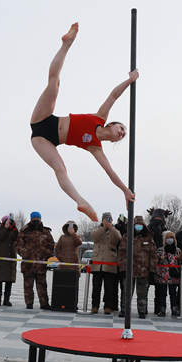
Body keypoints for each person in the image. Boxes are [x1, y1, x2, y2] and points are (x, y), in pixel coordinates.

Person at [29, 23, 137, 222]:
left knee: (60, 169)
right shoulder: (100, 117)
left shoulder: (95, 148)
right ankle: (66, 44)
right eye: (121, 128)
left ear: (113, 141)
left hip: (43, 140)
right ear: (111, 125)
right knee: (54, 84)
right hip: (43, 119)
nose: (122, 132)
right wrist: (129, 80)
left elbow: (110, 173)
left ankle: (81, 201)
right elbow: (113, 95)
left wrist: (124, 190)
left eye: (123, 134)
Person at [117, 216, 157, 318]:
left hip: (143, 270)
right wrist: (122, 268)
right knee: (126, 292)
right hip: (129, 270)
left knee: (142, 293)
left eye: (140, 225)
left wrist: (152, 270)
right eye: (136, 225)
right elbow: (121, 253)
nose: (138, 227)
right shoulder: (127, 237)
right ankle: (124, 310)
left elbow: (153, 255)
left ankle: (142, 311)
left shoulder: (148, 238)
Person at [15, 212, 55, 309]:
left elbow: (51, 245)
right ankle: (29, 303)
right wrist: (26, 253)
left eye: (38, 218)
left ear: (41, 219)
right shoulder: (25, 231)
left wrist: (46, 254)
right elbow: (18, 246)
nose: (36, 219)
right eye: (34, 218)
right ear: (31, 219)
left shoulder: (46, 232)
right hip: (28, 264)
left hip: (41, 264)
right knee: (28, 286)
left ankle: (44, 304)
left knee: (42, 285)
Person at [90, 212, 122, 314]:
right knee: (96, 287)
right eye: (106, 219)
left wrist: (110, 227)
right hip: (97, 265)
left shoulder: (114, 231)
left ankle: (108, 307)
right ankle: (95, 306)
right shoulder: (98, 230)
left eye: (109, 220)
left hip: (110, 264)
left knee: (109, 288)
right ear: (102, 220)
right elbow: (94, 237)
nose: (108, 221)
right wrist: (104, 227)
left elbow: (118, 238)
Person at [147, 208, 170, 314]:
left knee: (160, 288)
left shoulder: (165, 231)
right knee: (145, 287)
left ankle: (160, 308)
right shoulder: (148, 230)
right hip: (148, 262)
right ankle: (145, 308)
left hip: (160, 263)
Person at [0, 214, 19, 307]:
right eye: (7, 221)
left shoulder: (14, 230)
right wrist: (5, 227)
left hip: (10, 259)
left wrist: (13, 227)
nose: (9, 223)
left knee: (9, 281)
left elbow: (17, 238)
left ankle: (6, 300)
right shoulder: (1, 228)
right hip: (1, 258)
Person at [155, 230, 181, 317]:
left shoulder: (177, 250)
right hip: (163, 275)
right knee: (162, 294)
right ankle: (162, 309)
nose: (170, 239)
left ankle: (174, 309)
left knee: (173, 293)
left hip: (173, 276)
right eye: (168, 238)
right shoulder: (160, 250)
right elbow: (156, 260)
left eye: (171, 238)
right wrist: (160, 257)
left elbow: (180, 262)